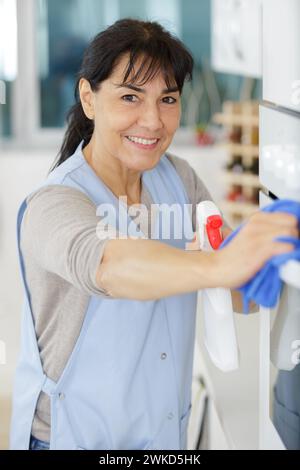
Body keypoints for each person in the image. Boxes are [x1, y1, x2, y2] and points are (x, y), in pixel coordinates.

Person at [10, 19, 298, 450]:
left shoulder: (180, 180)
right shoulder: (53, 204)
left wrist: (263, 266)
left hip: (162, 434)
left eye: (168, 99)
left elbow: (233, 291)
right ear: (89, 98)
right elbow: (108, 266)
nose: (153, 120)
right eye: (130, 97)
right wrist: (218, 264)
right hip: (75, 437)